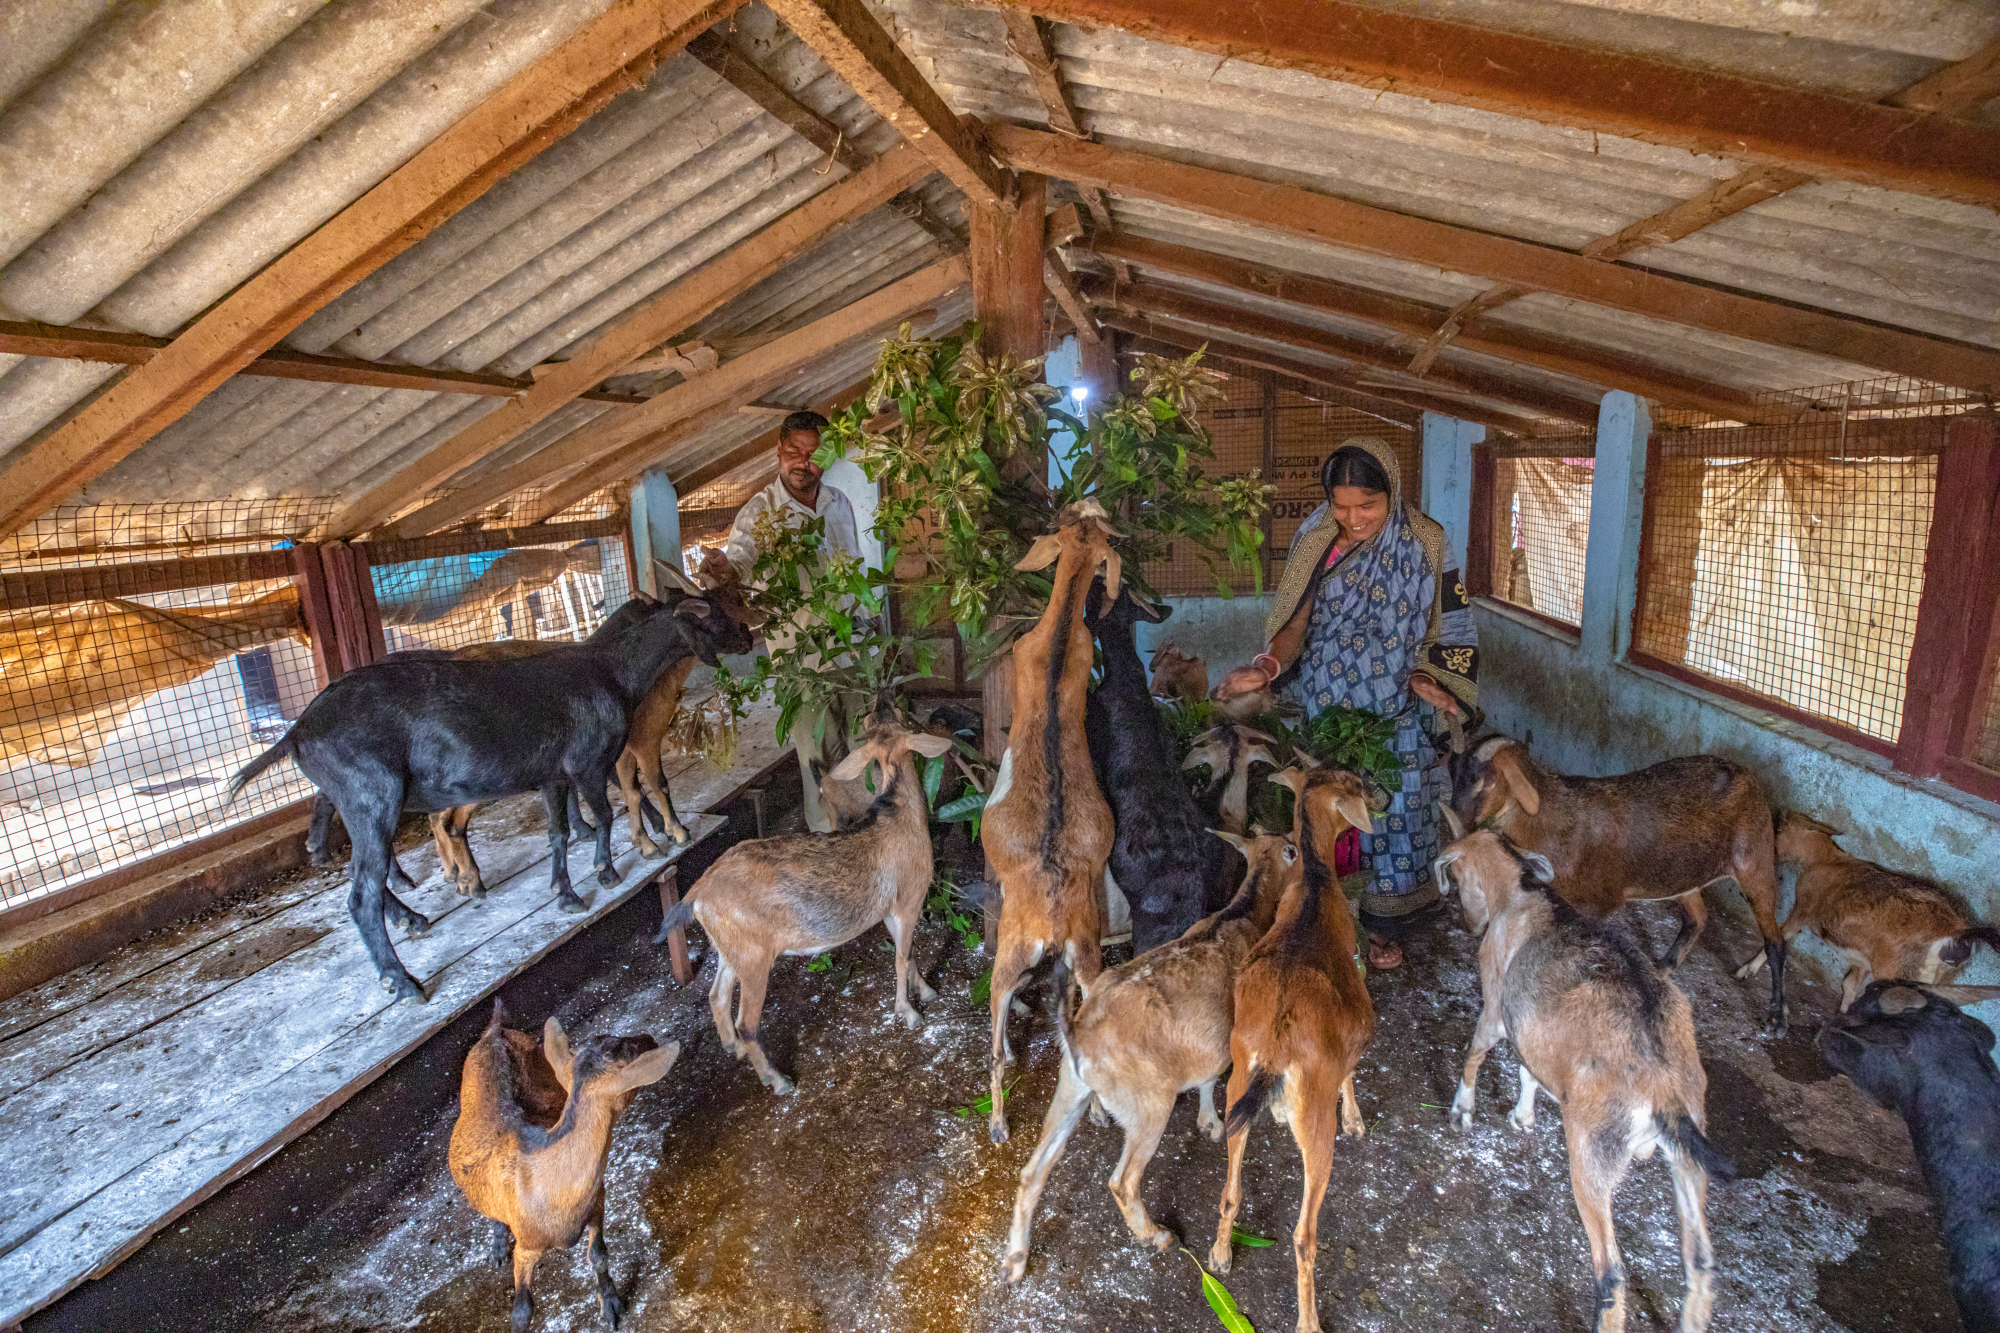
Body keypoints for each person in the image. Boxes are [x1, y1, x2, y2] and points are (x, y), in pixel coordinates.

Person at [1216, 437, 1477, 969]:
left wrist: (1434, 676)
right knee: (1328, 809)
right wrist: (1265, 666)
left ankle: (1384, 924)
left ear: (1393, 493)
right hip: (1329, 703)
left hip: (1400, 703)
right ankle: (1324, 916)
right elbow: (1295, 623)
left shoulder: (1427, 541)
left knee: (1399, 807)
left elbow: (1453, 619)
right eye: (1341, 506)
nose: (1353, 519)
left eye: (1367, 506)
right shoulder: (1317, 539)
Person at [698, 411, 862, 833]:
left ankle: (872, 838)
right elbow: (738, 567)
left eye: (813, 454)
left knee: (867, 752)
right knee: (818, 762)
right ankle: (829, 847)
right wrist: (723, 572)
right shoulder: (760, 514)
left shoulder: (839, 503)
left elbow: (854, 574)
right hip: (804, 663)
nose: (803, 463)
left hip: (857, 651)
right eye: (794, 452)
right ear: (778, 451)